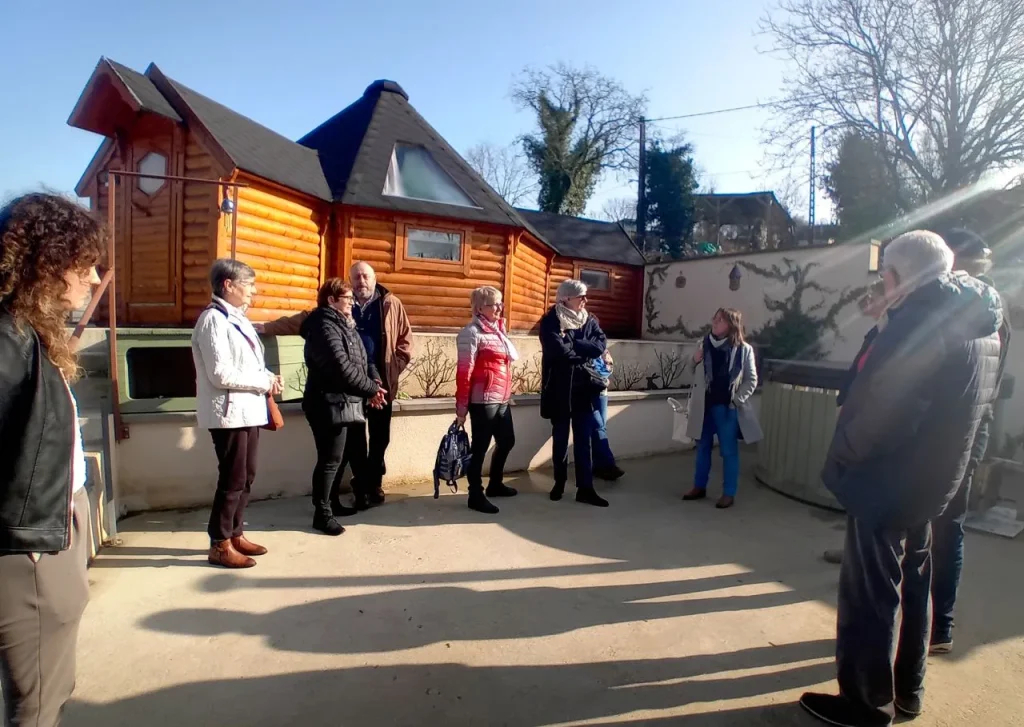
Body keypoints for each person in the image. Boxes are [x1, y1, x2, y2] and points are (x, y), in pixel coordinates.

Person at [800, 231, 1002, 727]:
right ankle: (908, 692)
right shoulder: (980, 320)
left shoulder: (918, 323)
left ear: (898, 275)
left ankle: (865, 705)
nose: (882, 283)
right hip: (935, 482)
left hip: (887, 483)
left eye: (885, 274)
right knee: (914, 584)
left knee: (871, 594)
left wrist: (843, 456)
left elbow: (882, 413)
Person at [0, 193, 102, 726]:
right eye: (84, 265)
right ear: (47, 263)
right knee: (40, 695)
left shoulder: (28, 329)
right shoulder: (6, 341)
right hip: (28, 544)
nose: (93, 277)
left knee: (47, 678)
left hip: (49, 522)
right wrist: (28, 540)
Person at [258, 262, 412, 510]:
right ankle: (358, 489)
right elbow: (303, 321)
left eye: (365, 276)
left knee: (379, 440)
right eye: (356, 277)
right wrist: (266, 327)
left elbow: (404, 341)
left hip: (380, 384)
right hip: (349, 390)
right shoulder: (334, 313)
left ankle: (373, 485)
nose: (361, 281)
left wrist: (391, 371)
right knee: (354, 444)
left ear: (374, 279)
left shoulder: (390, 304)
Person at [929, 228, 1010, 655]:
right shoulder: (995, 311)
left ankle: (935, 623)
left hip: (950, 431)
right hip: (973, 430)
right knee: (947, 528)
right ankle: (939, 625)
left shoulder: (958, 309)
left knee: (938, 528)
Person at [192, 258, 284, 569]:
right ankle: (219, 543)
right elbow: (220, 374)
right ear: (227, 285)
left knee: (246, 476)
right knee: (232, 478)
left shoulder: (238, 319)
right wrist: (263, 382)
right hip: (228, 413)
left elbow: (250, 365)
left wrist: (269, 376)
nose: (253, 291)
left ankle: (235, 533)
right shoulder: (213, 320)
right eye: (248, 284)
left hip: (248, 411)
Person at [300, 278, 388, 535]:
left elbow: (364, 360)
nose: (352, 302)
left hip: (347, 402)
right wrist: (371, 390)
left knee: (341, 458)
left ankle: (333, 503)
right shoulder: (323, 326)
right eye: (347, 298)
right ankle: (322, 513)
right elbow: (341, 368)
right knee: (330, 460)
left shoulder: (346, 325)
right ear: (331, 300)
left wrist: (375, 381)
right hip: (326, 403)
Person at [681, 308, 762, 509]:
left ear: (731, 325)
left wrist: (736, 401)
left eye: (720, 320)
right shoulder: (703, 344)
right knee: (702, 448)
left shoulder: (743, 349)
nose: (714, 322)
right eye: (714, 318)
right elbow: (690, 370)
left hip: (727, 408)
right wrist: (694, 359)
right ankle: (699, 486)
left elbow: (751, 380)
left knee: (728, 451)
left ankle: (728, 493)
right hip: (704, 406)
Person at [539, 280, 609, 507]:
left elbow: (600, 345)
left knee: (583, 441)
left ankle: (585, 488)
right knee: (560, 440)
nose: (585, 301)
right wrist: (584, 349)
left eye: (586, 296)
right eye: (581, 297)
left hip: (584, 389)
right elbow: (559, 352)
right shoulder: (551, 321)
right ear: (566, 298)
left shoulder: (590, 319)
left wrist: (575, 343)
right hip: (559, 390)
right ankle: (559, 483)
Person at [455, 286, 519, 514]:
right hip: (483, 400)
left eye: (501, 303)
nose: (500, 308)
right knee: (480, 448)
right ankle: (475, 494)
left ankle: (495, 484)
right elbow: (464, 373)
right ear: (479, 308)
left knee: (507, 441)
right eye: (494, 304)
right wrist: (461, 408)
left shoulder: (498, 331)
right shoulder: (471, 333)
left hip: (502, 398)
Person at [590, 349, 625, 481]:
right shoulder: (586, 345)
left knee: (600, 429)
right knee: (599, 428)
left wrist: (605, 368)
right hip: (590, 392)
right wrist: (604, 370)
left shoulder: (600, 346)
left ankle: (599, 466)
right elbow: (601, 370)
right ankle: (608, 465)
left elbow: (608, 367)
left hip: (601, 392)